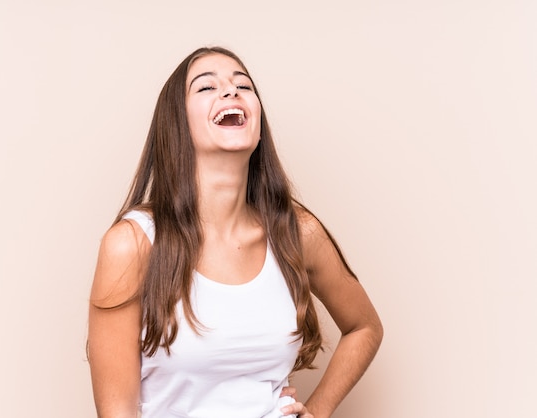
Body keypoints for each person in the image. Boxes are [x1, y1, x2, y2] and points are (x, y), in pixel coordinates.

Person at [87, 46, 383, 418]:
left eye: (243, 85)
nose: (231, 91)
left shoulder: (295, 233)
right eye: (206, 87)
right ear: (176, 124)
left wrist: (319, 411)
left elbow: (364, 327)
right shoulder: (132, 245)